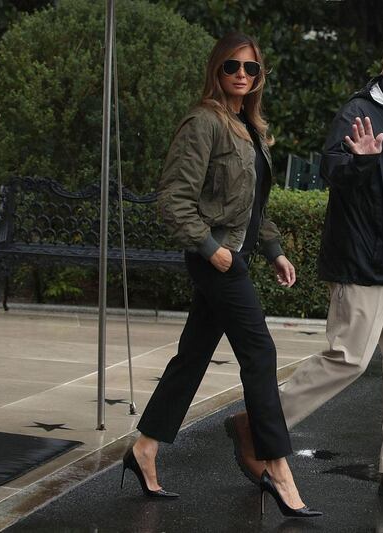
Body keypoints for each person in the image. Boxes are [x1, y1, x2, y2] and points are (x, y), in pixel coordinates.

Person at [224, 35, 383, 500]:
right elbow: (334, 173)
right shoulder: (358, 112)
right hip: (363, 261)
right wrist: (363, 163)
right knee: (347, 359)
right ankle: (256, 424)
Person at [121, 32, 320, 519]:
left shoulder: (249, 127)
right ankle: (275, 465)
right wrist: (212, 251)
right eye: (233, 66)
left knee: (192, 357)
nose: (241, 75)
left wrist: (273, 250)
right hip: (217, 259)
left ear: (259, 77)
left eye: (251, 69)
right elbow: (174, 199)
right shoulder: (203, 123)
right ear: (217, 69)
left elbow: (253, 205)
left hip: (237, 255)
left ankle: (144, 447)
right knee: (260, 351)